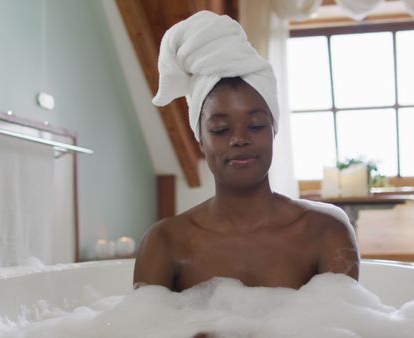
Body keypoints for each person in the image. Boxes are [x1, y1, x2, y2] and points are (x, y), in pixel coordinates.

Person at [133, 11, 359, 292]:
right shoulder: (165, 242)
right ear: (200, 140)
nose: (239, 139)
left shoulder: (325, 231)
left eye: (256, 125)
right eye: (220, 129)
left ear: (274, 130)